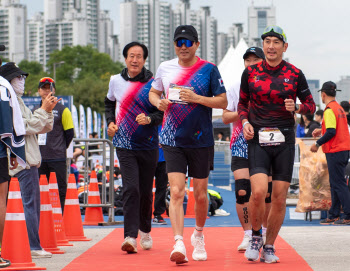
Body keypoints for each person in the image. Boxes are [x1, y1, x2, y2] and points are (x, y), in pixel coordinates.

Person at [149, 24, 227, 264]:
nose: (183, 47)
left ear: (196, 44)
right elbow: (153, 93)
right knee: (177, 191)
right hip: (172, 140)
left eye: (188, 43)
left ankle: (199, 235)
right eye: (179, 43)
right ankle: (178, 242)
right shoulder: (165, 68)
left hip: (201, 140)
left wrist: (197, 98)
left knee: (201, 195)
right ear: (174, 45)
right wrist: (158, 103)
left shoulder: (209, 70)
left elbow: (223, 102)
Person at [238, 25, 315, 263]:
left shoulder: (295, 73)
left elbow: (311, 106)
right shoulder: (251, 73)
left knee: (280, 197)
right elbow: (242, 104)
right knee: (259, 192)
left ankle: (269, 245)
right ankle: (255, 236)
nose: (271, 46)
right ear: (264, 46)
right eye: (267, 42)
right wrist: (244, 122)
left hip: (284, 139)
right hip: (258, 138)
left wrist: (298, 107)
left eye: (276, 42)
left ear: (284, 47)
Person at [104, 41, 163, 254]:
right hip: (124, 144)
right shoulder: (115, 81)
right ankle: (130, 236)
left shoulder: (154, 83)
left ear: (145, 60)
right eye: (131, 56)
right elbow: (109, 103)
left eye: (139, 56)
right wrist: (110, 122)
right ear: (125, 58)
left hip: (148, 145)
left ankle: (145, 229)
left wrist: (149, 119)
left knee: (146, 191)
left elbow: (161, 112)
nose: (135, 60)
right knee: (131, 188)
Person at [0, 62, 57, 258]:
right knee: (28, 205)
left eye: (23, 78)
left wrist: (46, 110)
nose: (22, 81)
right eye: (18, 78)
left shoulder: (17, 99)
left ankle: (24, 244)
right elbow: (23, 126)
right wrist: (43, 110)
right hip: (22, 159)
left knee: (22, 205)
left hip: (25, 158)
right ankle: (32, 245)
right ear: (8, 80)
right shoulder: (10, 100)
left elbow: (41, 126)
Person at [222, 47, 272, 252]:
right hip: (241, 143)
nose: (251, 63)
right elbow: (225, 117)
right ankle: (248, 234)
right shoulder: (235, 87)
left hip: (267, 143)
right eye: (247, 60)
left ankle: (266, 232)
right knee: (243, 192)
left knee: (266, 193)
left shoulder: (272, 86)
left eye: (255, 60)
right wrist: (244, 111)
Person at [311, 82, 350, 225]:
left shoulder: (328, 110)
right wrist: (321, 131)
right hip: (343, 149)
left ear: (323, 94)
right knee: (335, 183)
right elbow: (335, 129)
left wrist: (317, 143)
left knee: (338, 183)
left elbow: (332, 131)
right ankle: (333, 214)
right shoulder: (338, 108)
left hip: (335, 149)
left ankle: (347, 214)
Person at [0, 59, 27, 268]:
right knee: (1, 200)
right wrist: (13, 151)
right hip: (0, 150)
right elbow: (11, 125)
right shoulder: (3, 86)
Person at [34, 77, 74, 213]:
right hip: (38, 159)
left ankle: (60, 219)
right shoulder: (34, 110)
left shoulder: (63, 110)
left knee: (60, 190)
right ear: (39, 91)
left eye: (49, 88)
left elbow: (70, 133)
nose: (46, 91)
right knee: (38, 191)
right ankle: (40, 221)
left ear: (54, 90)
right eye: (43, 88)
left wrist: (60, 147)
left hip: (57, 157)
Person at [152, 126, 168, 225]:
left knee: (161, 187)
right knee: (144, 187)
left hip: (164, 159)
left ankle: (158, 214)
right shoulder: (149, 118)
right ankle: (141, 213)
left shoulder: (168, 122)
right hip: (149, 157)